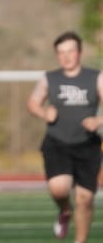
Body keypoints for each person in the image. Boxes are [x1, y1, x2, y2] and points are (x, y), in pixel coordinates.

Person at [26, 31, 102, 243]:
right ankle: (65, 210)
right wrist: (44, 113)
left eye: (70, 51)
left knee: (85, 199)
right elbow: (32, 102)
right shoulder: (50, 78)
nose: (66, 57)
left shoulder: (96, 77)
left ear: (79, 52)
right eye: (61, 53)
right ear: (56, 55)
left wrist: (98, 120)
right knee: (59, 189)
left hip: (87, 145)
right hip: (57, 143)